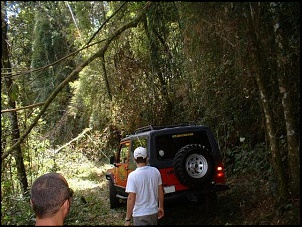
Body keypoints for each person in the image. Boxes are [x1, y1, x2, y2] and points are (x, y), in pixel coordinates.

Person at [125, 146, 164, 226]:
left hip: (140, 214)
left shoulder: (132, 176)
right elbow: (160, 191)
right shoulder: (155, 171)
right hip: (153, 212)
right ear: (147, 158)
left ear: (134, 159)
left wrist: (128, 219)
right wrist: (161, 207)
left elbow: (131, 198)